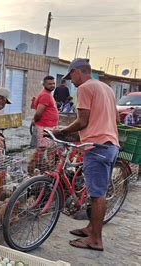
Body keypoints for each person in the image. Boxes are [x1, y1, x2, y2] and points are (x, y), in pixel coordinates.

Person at [52, 58, 119, 252]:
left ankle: (95, 240)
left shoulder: (85, 88)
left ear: (77, 72)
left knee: (98, 195)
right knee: (96, 191)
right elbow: (111, 118)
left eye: (71, 76)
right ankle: (91, 228)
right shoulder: (106, 88)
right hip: (109, 143)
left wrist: (62, 131)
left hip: (97, 147)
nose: (71, 81)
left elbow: (82, 121)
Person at [28, 76, 59, 175]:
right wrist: (34, 120)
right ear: (44, 84)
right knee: (44, 150)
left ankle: (40, 169)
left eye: (53, 83)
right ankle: (34, 170)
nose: (52, 85)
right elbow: (39, 112)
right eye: (49, 84)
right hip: (45, 128)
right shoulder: (45, 95)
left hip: (47, 127)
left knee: (45, 150)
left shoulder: (47, 94)